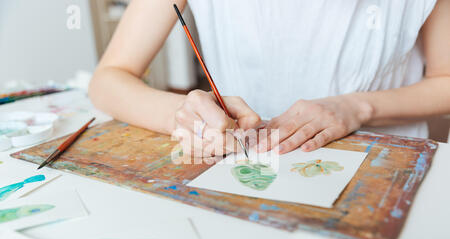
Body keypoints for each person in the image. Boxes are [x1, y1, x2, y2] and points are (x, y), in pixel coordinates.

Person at [89, 0, 450, 157]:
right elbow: (109, 80)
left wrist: (357, 108)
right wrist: (181, 114)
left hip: (381, 172)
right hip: (243, 171)